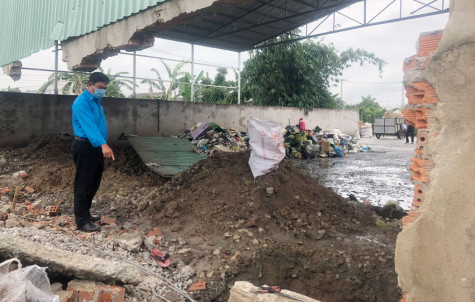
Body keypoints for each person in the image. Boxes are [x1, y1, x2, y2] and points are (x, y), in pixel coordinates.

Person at [71, 72, 115, 232]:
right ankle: (81, 222)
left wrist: (102, 144)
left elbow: (99, 125)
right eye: (99, 87)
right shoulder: (81, 103)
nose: (102, 90)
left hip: (95, 146)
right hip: (84, 146)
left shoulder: (96, 102)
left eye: (104, 88)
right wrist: (103, 145)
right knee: (83, 184)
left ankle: (86, 214)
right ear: (90, 85)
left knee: (93, 182)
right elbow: (89, 126)